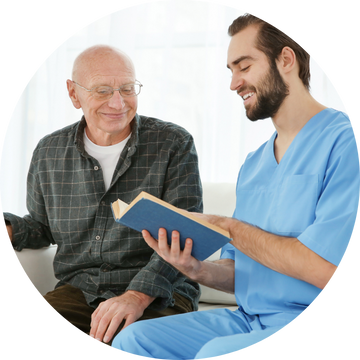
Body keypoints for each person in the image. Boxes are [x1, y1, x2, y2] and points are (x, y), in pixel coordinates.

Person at [110, 10, 360, 360]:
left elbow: (328, 270)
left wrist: (229, 227)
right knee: (132, 341)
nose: (234, 83)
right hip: (247, 320)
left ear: (285, 60)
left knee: (215, 354)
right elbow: (239, 273)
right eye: (231, 71)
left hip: (300, 316)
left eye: (244, 67)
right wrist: (195, 269)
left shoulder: (346, 144)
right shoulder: (254, 163)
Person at [1, 45, 203, 347]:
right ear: (74, 94)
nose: (118, 102)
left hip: (159, 294)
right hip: (79, 291)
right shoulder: (49, 151)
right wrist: (10, 230)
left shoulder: (173, 143)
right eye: (103, 90)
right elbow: (42, 227)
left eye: (127, 88)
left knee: (124, 343)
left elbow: (184, 236)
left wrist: (136, 295)